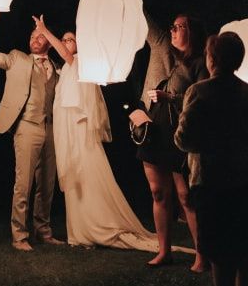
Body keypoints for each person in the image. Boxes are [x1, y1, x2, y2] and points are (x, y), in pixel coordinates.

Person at [32, 16, 159, 251]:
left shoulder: (80, 61)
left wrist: (44, 30)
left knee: (84, 172)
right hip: (66, 125)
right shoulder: (68, 69)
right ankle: (79, 231)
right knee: (72, 176)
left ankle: (95, 225)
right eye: (64, 40)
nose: (66, 42)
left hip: (79, 126)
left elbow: (64, 54)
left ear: (79, 45)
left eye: (70, 40)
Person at [174, 32, 248, 286]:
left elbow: (184, 139)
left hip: (214, 178)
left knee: (219, 246)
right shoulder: (247, 92)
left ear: (212, 58)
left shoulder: (199, 92)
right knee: (246, 244)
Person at [0, 11, 64, 252]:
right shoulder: (17, 58)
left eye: (40, 37)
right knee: (23, 183)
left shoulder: (56, 68)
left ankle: (43, 231)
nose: (34, 40)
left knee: (47, 184)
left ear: (48, 40)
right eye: (32, 36)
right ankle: (20, 235)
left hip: (50, 128)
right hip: (26, 126)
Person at [135, 13, 209, 271]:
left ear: (193, 32)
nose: (174, 31)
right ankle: (163, 250)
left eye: (181, 27)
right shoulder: (169, 57)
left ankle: (202, 255)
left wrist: (171, 97)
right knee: (158, 192)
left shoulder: (199, 63)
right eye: (173, 27)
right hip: (155, 130)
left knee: (185, 195)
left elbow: (200, 100)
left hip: (179, 134)